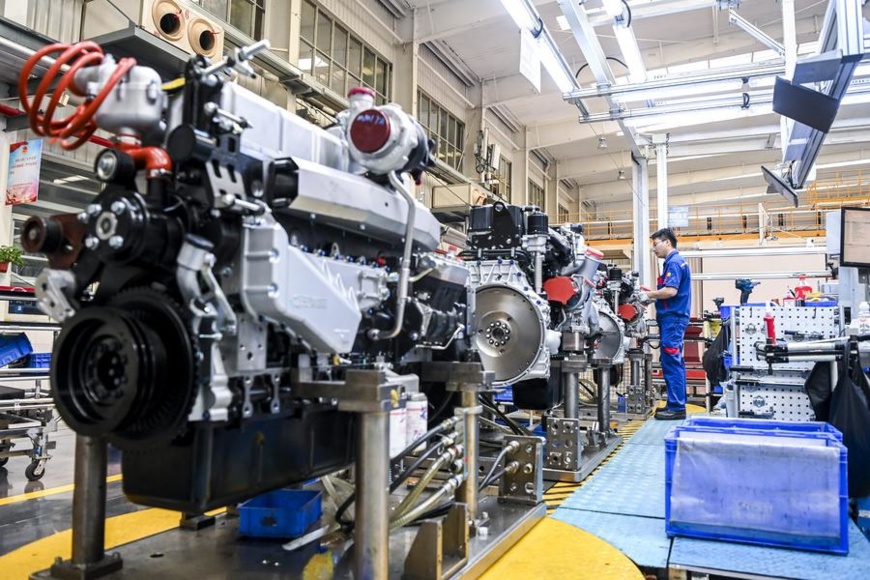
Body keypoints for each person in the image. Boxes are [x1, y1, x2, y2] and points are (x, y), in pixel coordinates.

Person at [639, 228, 692, 420]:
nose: (654, 249)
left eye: (656, 244)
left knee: (671, 361)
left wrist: (647, 295)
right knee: (673, 361)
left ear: (667, 242)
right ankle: (675, 404)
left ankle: (677, 408)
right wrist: (652, 297)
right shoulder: (674, 262)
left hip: (673, 319)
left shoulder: (674, 262)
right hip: (672, 318)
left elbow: (670, 291)